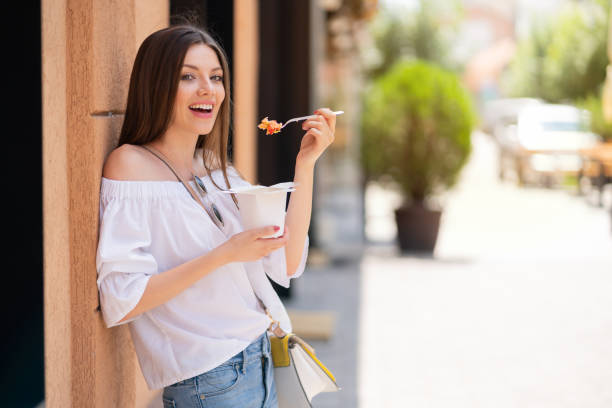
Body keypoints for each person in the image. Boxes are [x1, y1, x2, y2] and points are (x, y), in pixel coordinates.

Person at [95, 24, 336, 407]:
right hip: (210, 381)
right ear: (156, 86)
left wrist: (304, 166)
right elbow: (122, 298)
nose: (208, 89)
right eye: (188, 76)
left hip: (260, 359)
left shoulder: (213, 166)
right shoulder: (130, 166)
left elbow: (286, 262)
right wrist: (225, 254)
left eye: (216, 77)